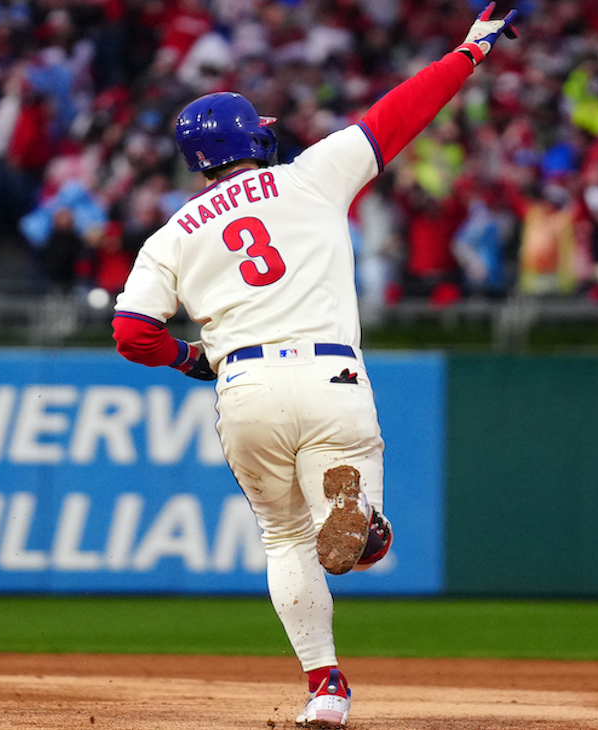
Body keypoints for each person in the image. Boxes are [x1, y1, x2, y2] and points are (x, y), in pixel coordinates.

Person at [110, 5, 518, 728]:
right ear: (253, 138)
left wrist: (187, 359)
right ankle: (364, 527)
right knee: (354, 535)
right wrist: (471, 49)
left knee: (283, 539)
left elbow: (132, 331)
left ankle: (325, 688)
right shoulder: (309, 177)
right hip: (331, 375)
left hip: (244, 385)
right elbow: (402, 112)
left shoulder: (171, 235)